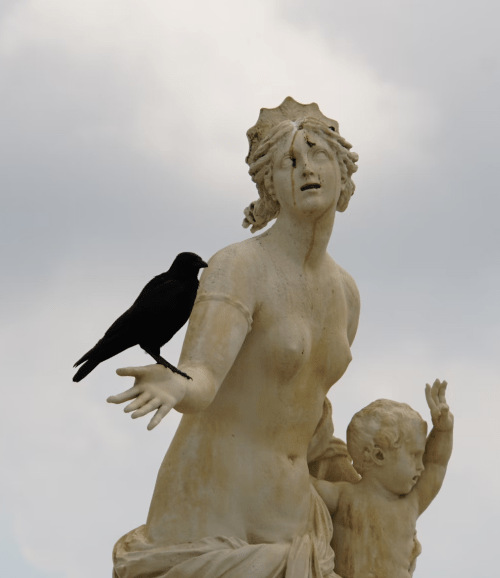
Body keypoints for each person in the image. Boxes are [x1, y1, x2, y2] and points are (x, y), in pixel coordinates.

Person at [108, 97, 361, 578]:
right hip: (213, 517)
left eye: (317, 155)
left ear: (342, 170)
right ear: (271, 185)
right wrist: (175, 383)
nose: (306, 169)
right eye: (290, 161)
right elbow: (202, 373)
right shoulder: (239, 267)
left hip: (297, 527)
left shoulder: (346, 294)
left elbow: (312, 415)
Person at [311, 381, 454, 578]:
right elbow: (301, 484)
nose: (421, 466)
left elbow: (436, 464)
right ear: (378, 456)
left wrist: (443, 430)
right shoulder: (344, 496)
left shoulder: (410, 505)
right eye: (414, 455)